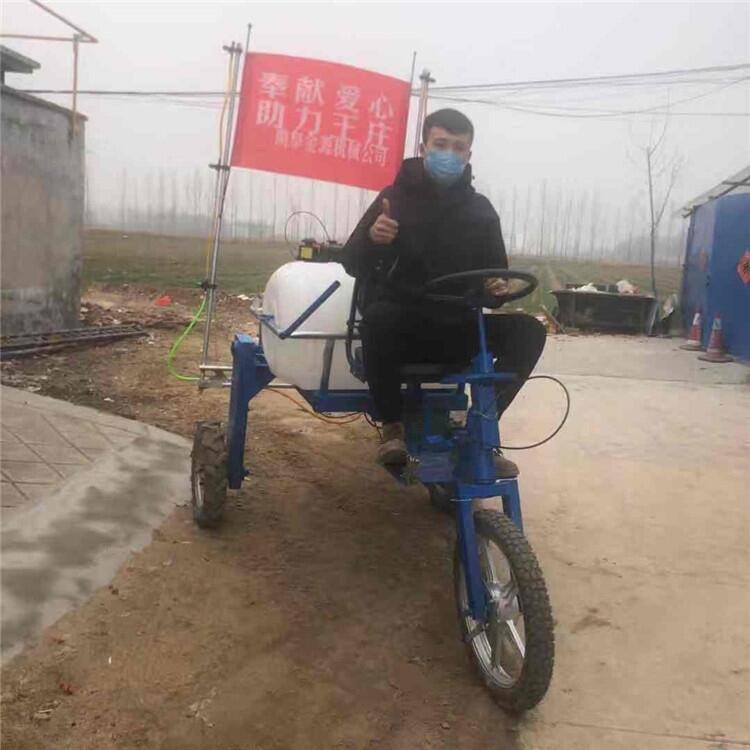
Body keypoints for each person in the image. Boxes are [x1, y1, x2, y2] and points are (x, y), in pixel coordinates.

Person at [342, 108, 545, 470]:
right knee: (379, 317)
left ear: (469, 155)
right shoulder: (394, 199)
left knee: (529, 331)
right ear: (423, 148)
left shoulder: (481, 211)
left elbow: (494, 283)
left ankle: (480, 428)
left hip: (457, 328)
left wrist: (496, 288)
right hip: (402, 330)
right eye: (441, 145)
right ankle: (392, 428)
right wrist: (374, 239)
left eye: (458, 147)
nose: (449, 154)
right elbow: (352, 262)